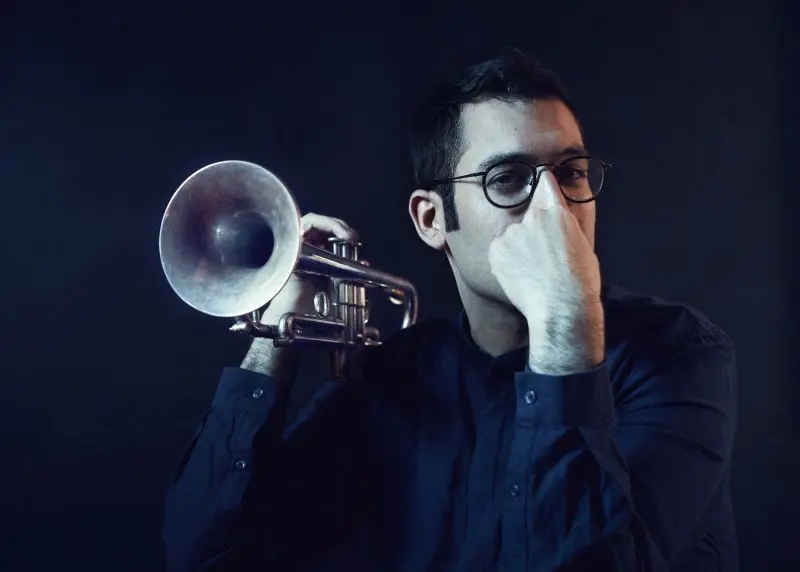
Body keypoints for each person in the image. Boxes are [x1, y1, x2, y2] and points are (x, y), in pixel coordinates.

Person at [162, 48, 738, 571]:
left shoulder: (680, 354)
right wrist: (275, 337)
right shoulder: (395, 380)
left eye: (570, 173)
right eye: (507, 179)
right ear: (432, 219)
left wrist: (565, 319)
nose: (555, 209)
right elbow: (208, 556)